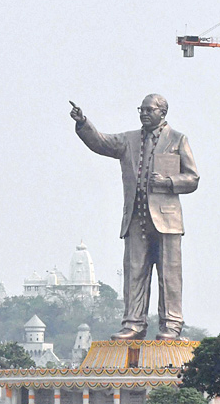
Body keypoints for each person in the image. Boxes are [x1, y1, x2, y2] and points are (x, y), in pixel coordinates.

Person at [71, 94, 199, 340]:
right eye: (141, 109)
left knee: (169, 275)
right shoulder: (128, 140)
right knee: (134, 272)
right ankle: (133, 323)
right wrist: (83, 123)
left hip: (167, 221)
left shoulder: (177, 140)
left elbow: (193, 178)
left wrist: (169, 182)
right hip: (136, 218)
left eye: (149, 109)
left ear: (163, 112)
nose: (143, 113)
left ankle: (171, 325)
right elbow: (101, 142)